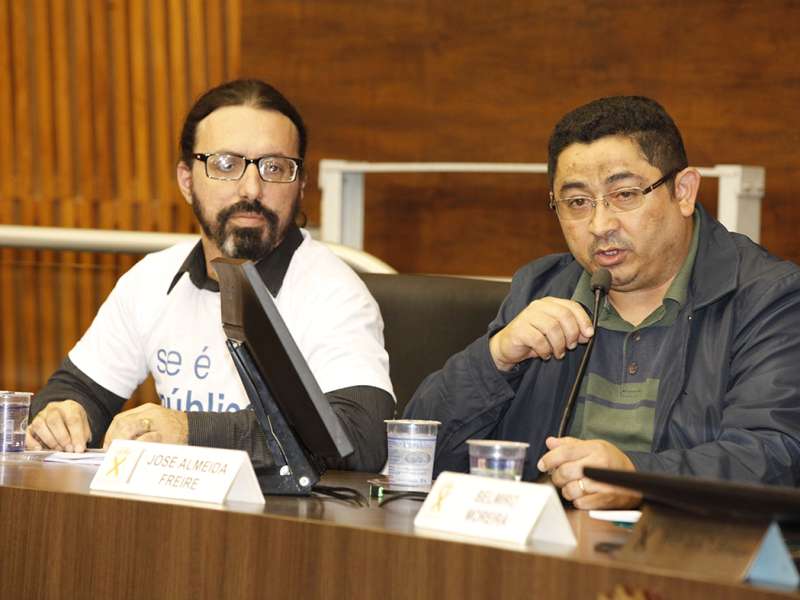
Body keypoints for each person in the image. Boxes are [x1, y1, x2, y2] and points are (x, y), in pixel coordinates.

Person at [405, 96, 800, 509]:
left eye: (625, 195)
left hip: (687, 553)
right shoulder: (541, 288)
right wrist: (496, 358)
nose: (600, 225)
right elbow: (414, 452)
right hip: (543, 551)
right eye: (577, 203)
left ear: (683, 192)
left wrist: (638, 479)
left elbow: (775, 458)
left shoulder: (768, 298)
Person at [28, 79, 394, 472]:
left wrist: (191, 431)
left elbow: (361, 435)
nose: (251, 188)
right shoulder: (151, 279)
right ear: (187, 180)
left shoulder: (334, 292)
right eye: (226, 164)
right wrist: (63, 415)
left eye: (275, 167)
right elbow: (79, 390)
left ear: (301, 184)